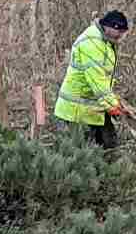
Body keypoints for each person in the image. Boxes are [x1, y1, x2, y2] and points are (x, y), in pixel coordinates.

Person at [53, 10, 131, 149]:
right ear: (108, 27)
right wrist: (112, 105)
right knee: (81, 156)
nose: (121, 36)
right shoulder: (92, 43)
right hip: (74, 113)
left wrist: (115, 102)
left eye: (123, 33)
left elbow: (105, 79)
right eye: (119, 32)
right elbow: (97, 79)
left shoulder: (106, 42)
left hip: (92, 107)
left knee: (110, 147)